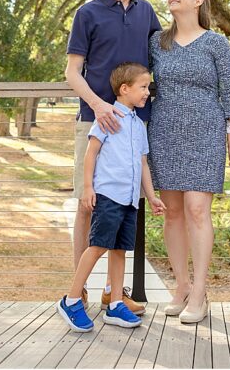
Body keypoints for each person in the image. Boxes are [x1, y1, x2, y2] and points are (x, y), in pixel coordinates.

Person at [65, 0, 161, 313]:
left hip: (135, 124)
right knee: (87, 206)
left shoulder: (147, 12)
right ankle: (79, 289)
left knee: (123, 207)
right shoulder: (87, 13)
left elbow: (158, 60)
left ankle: (114, 291)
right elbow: (73, 71)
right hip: (94, 120)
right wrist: (99, 104)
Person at [147, 0, 230, 324]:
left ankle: (200, 291)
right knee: (173, 212)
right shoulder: (157, 43)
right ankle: (182, 286)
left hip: (206, 129)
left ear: (199, 1)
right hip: (164, 129)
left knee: (197, 209)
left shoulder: (217, 43)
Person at [57, 63, 166, 332]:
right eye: (143, 87)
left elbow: (142, 164)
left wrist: (151, 197)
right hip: (108, 194)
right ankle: (71, 299)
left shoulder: (139, 125)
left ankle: (115, 303)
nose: (147, 93)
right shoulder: (107, 117)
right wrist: (88, 188)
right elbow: (90, 154)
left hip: (129, 199)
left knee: (119, 250)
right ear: (124, 89)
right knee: (98, 246)